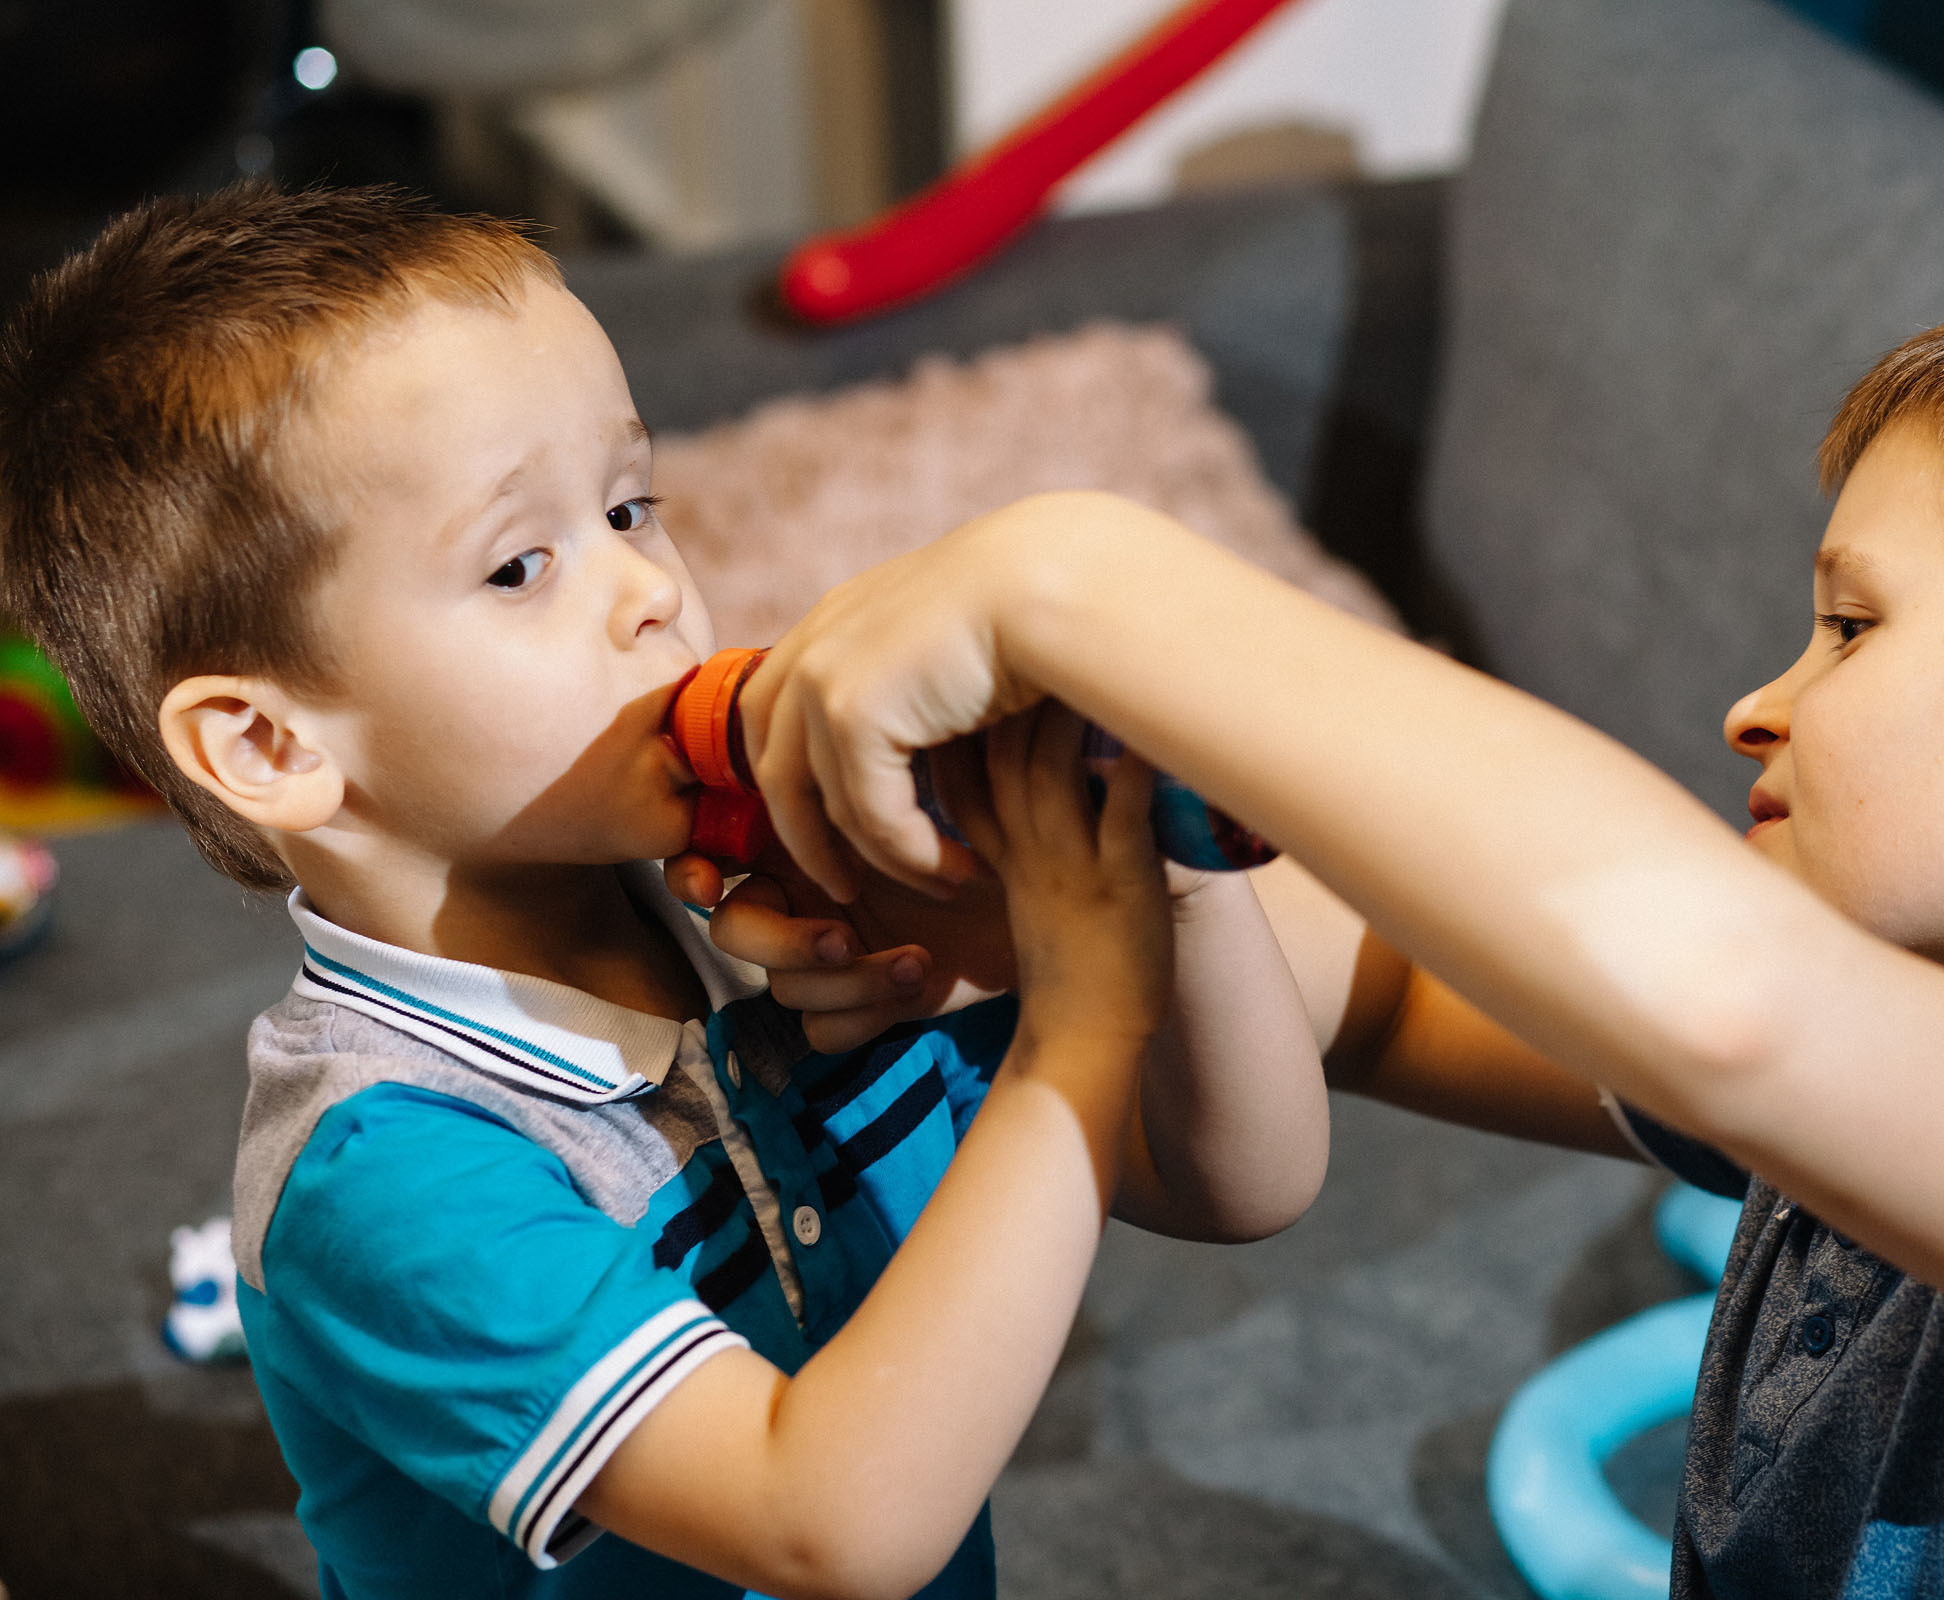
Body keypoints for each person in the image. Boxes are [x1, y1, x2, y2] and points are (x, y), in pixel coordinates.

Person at [702, 270, 1944, 1595]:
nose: (1757, 704)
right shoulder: (1912, 1070)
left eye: (1848, 626)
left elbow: (1718, 997)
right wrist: (1058, 883)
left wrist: (1064, 577)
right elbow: (1373, 995)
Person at [0, 184, 1330, 1600]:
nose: (648, 589)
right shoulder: (380, 1173)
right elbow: (832, 1522)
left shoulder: (770, 918)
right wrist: (1081, 1022)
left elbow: (1241, 1177)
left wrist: (1152, 876)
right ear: (271, 746)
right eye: (523, 563)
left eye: (633, 505)